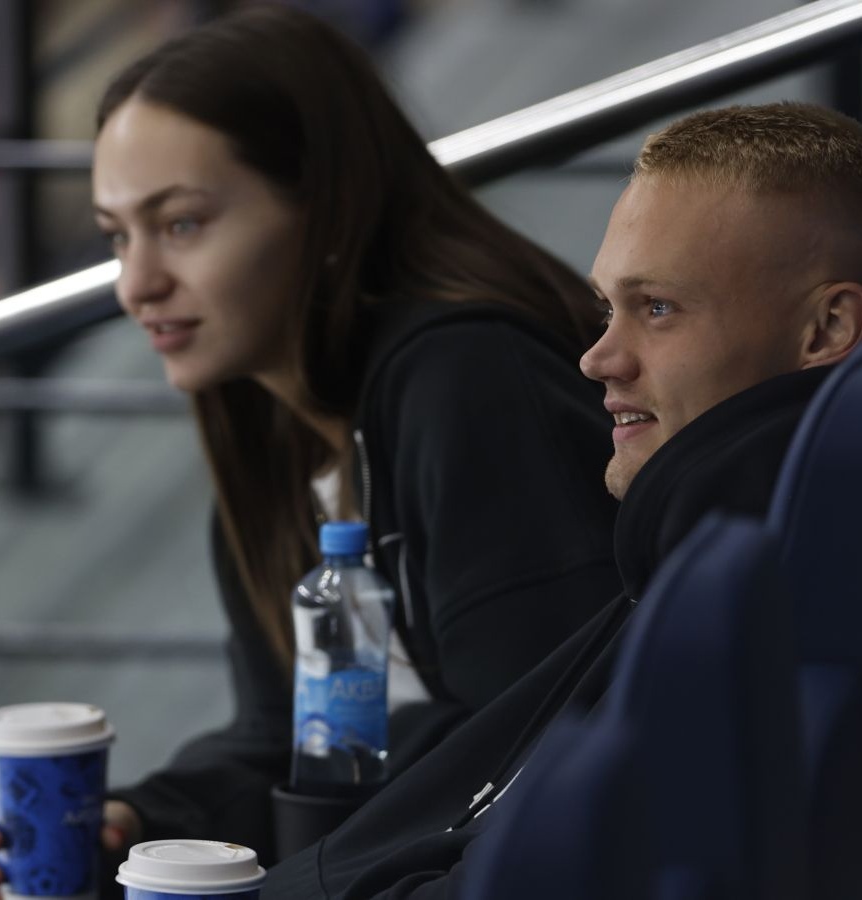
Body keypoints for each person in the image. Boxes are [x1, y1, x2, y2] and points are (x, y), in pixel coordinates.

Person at [0, 3, 622, 895]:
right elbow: (290, 737)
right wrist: (141, 822)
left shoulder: (470, 379)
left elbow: (540, 748)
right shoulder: (276, 424)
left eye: (184, 224)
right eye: (119, 234)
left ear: (328, 210)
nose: (137, 283)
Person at [201, 99, 859, 897]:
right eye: (605, 308)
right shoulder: (724, 557)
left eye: (657, 309)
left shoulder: (743, 597)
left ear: (828, 328)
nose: (598, 359)